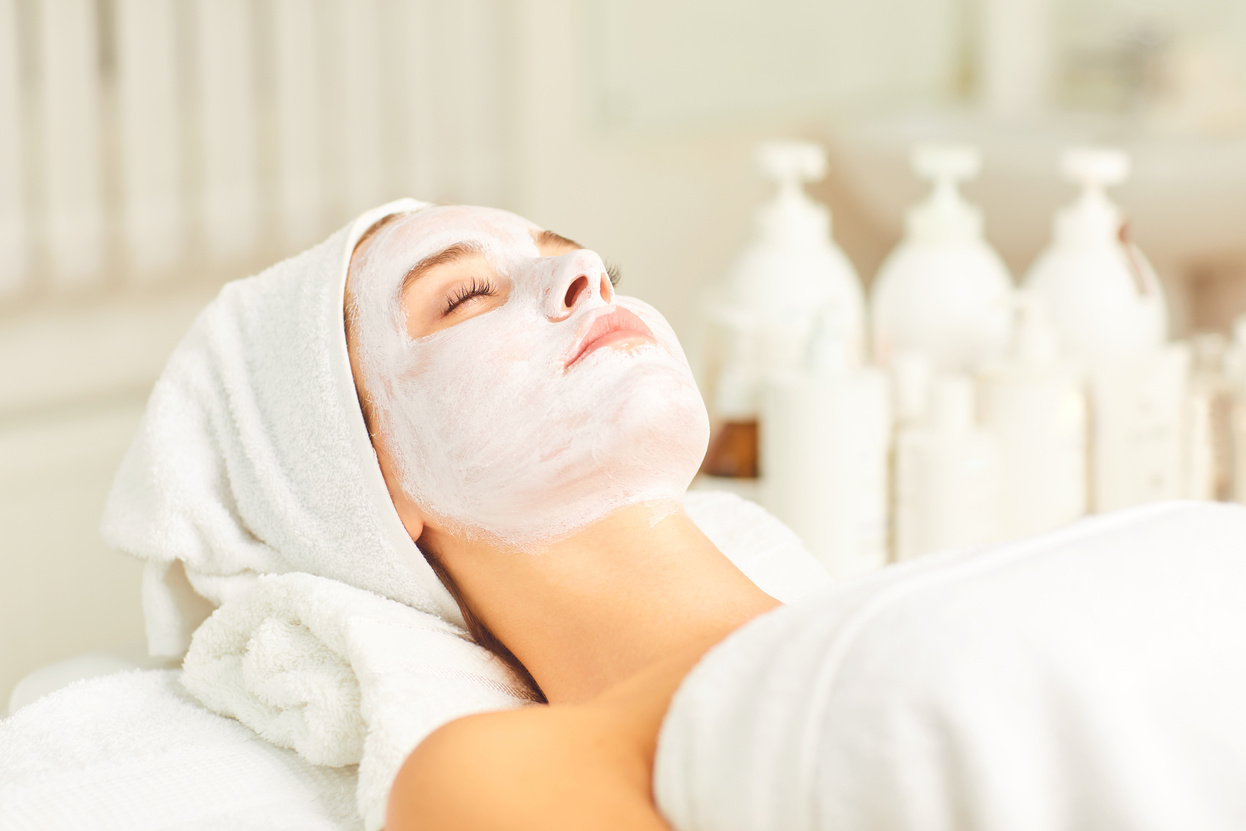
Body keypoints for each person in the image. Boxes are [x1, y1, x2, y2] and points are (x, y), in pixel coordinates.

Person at [342, 203, 777, 829]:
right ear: (373, 484)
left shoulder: (908, 597)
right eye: (468, 295)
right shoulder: (493, 780)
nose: (588, 270)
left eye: (600, 267)